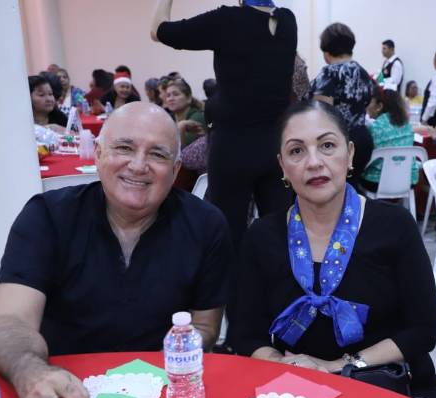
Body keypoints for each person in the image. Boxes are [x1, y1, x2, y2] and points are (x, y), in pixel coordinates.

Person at [0, 102, 233, 398]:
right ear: (98, 154)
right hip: (62, 395)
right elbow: (8, 321)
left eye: (158, 154)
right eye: (124, 148)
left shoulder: (206, 226)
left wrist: (157, 378)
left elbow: (205, 327)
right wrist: (32, 373)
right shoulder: (47, 216)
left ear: (175, 171)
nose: (138, 165)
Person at [227, 101, 436, 398]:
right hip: (294, 392)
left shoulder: (395, 226)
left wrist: (336, 367)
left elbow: (422, 331)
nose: (314, 162)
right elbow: (245, 334)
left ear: (350, 154)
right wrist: (284, 364)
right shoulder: (262, 236)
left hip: (385, 387)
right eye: (296, 151)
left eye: (327, 145)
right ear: (283, 167)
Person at [152, 0, 296, 252]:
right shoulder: (288, 21)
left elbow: (159, 30)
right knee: (280, 233)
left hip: (232, 146)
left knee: (228, 235)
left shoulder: (228, 20)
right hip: (276, 146)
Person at [310, 22, 375, 176]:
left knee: (335, 187)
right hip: (363, 139)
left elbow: (321, 110)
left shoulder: (329, 73)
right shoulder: (363, 72)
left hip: (340, 142)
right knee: (351, 184)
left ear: (326, 52)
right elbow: (368, 102)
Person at [362, 88, 418, 191]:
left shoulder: (375, 127)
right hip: (408, 180)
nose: (367, 106)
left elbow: (365, 159)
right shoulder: (408, 125)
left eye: (370, 102)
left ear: (379, 106)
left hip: (377, 182)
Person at [164, 78, 206, 147]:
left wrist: (181, 126)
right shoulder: (168, 119)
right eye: (168, 95)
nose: (171, 99)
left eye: (176, 94)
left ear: (188, 98)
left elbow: (183, 150)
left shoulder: (198, 117)